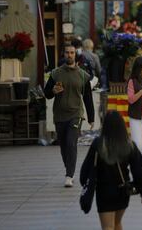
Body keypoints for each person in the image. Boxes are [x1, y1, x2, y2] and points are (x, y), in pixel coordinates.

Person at [80, 111, 142, 230]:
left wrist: (86, 184)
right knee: (117, 223)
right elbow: (140, 170)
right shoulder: (129, 145)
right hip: (122, 191)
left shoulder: (98, 144)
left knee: (108, 227)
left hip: (104, 192)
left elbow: (86, 168)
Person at [44, 43, 94, 187]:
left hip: (76, 114)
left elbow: (88, 99)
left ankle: (69, 175)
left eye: (72, 53)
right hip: (59, 115)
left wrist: (91, 118)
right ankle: (69, 169)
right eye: (67, 53)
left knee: (72, 143)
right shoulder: (55, 73)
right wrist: (53, 91)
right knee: (64, 145)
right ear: (63, 55)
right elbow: (47, 94)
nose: (69, 55)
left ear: (75, 55)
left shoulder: (83, 76)